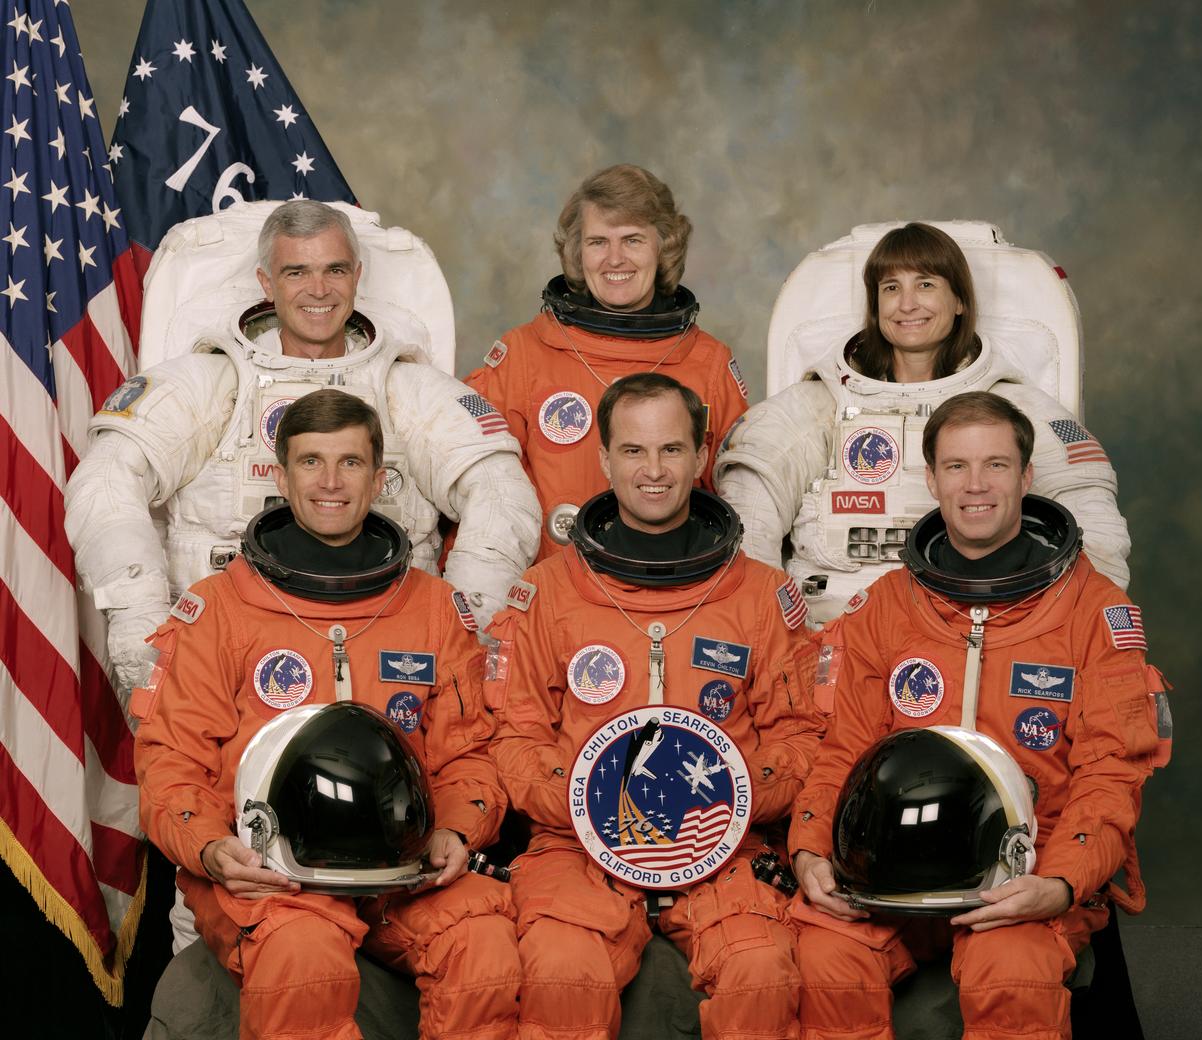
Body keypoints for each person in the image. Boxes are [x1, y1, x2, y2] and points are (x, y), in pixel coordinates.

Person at [131, 390, 521, 1039]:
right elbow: (170, 761)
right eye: (311, 462)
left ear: (379, 477)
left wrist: (458, 830)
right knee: (303, 957)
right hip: (269, 871)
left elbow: (469, 755)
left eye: (350, 462)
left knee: (484, 944)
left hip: (403, 868)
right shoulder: (219, 609)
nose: (331, 482)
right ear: (282, 478)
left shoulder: (431, 608)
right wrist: (211, 847)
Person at [788, 392, 1169, 1039]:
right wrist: (807, 847)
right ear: (932, 480)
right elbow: (843, 751)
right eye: (957, 466)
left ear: (1026, 476)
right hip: (892, 866)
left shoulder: (1092, 613)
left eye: (995, 465)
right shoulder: (886, 607)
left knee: (1010, 971)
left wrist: (1060, 881)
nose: (975, 485)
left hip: (1028, 863)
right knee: (826, 957)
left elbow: (1111, 774)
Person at [66, 199, 540, 696]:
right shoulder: (205, 382)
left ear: (357, 277)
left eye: (335, 270)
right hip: (221, 661)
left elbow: (502, 494)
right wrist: (140, 621)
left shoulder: (412, 389)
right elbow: (105, 481)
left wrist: (470, 625)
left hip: (388, 659)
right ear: (267, 284)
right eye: (297, 272)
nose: (319, 289)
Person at [484, 373, 825, 1039]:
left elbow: (803, 736)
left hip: (724, 843)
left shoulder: (760, 594)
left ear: (701, 458)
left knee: (761, 972)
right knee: (562, 970)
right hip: (576, 845)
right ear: (604, 459)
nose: (654, 471)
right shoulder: (548, 590)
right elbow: (515, 736)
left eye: (671, 449)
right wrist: (591, 805)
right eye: (633, 451)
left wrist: (727, 797)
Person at [714, 221, 1130, 624]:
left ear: (960, 300)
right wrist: (782, 638)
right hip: (824, 635)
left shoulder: (1019, 409)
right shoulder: (815, 406)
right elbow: (748, 538)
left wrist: (1037, 634)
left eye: (926, 285)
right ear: (876, 306)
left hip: (974, 634)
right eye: (891, 288)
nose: (907, 304)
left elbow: (1098, 544)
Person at [465, 164, 750, 560]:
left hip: (676, 585)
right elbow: (477, 495)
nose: (615, 259)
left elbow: (743, 504)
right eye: (598, 242)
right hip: (550, 583)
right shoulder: (524, 356)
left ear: (663, 247)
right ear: (577, 252)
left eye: (632, 240)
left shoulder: (709, 364)